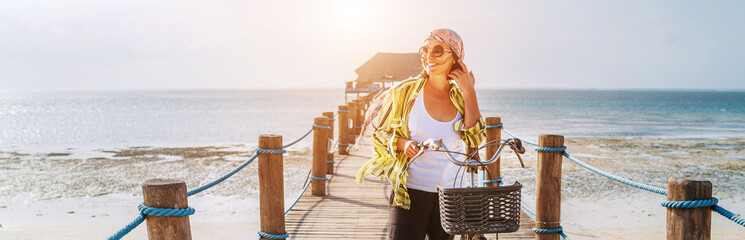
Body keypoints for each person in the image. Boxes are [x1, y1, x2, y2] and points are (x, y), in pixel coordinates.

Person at [356, 28, 485, 240]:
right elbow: (379, 136)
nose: (428, 56)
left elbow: (475, 138)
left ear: (454, 57)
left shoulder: (461, 97)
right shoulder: (404, 93)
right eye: (424, 49)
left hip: (451, 195)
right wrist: (402, 143)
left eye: (437, 50)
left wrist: (470, 91)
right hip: (410, 191)